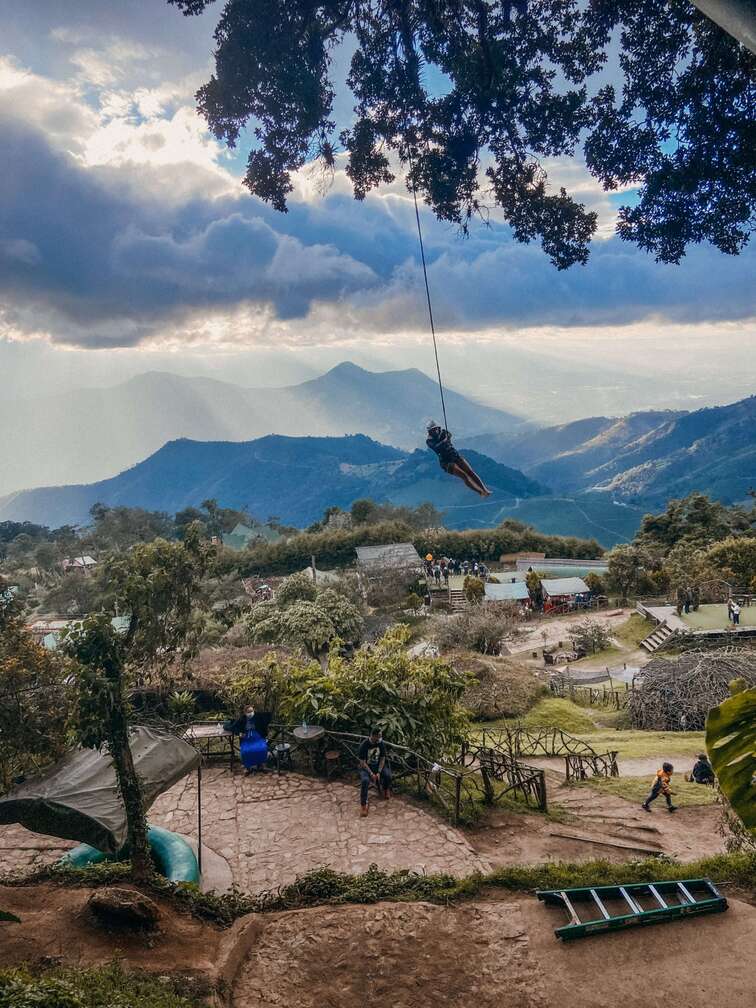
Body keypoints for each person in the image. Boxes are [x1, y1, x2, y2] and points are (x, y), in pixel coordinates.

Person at [425, 422, 491, 497]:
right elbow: (437, 447)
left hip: (455, 455)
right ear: (429, 431)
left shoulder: (443, 432)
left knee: (470, 472)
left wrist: (448, 437)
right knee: (464, 475)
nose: (435, 430)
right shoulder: (429, 441)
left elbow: (449, 434)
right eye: (433, 430)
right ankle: (480, 492)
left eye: (436, 428)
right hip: (446, 462)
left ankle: (485, 489)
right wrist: (445, 441)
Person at [358, 726, 392, 816]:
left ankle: (386, 789)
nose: (380, 738)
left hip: (377, 767)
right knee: (365, 781)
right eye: (379, 736)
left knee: (388, 775)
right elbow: (362, 763)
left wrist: (379, 772)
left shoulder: (381, 743)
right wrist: (371, 773)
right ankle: (363, 805)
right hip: (366, 768)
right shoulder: (364, 745)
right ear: (373, 736)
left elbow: (382, 758)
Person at [232, 705, 268, 774]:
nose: (251, 713)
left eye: (252, 711)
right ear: (245, 712)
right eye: (249, 712)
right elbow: (234, 727)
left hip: (257, 736)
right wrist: (239, 733)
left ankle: (260, 765)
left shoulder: (258, 717)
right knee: (246, 751)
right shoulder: (242, 719)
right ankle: (248, 767)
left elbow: (264, 726)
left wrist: (264, 736)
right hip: (246, 737)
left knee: (262, 748)